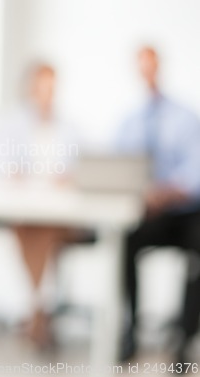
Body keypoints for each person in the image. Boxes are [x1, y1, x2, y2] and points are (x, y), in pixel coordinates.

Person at [117, 46, 200, 365]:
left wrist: (166, 192)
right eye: (141, 66)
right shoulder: (129, 121)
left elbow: (195, 173)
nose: (146, 72)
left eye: (151, 65)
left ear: (159, 67)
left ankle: (184, 337)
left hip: (186, 213)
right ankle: (129, 331)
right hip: (150, 214)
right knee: (123, 243)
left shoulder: (185, 116)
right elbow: (117, 167)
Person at [2, 63, 81, 349]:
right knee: (25, 227)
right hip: (29, 208)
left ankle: (37, 311)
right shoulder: (16, 124)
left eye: (51, 87)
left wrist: (69, 177)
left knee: (43, 230)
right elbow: (5, 167)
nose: (46, 94)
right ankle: (40, 310)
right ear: (31, 90)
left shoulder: (70, 127)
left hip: (64, 213)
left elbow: (82, 168)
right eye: (41, 87)